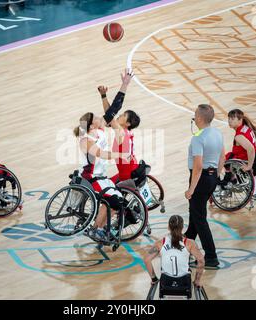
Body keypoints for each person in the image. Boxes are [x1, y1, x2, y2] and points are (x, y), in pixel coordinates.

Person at [73, 69, 134, 241]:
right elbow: (101, 154)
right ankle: (95, 229)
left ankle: (98, 227)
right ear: (92, 125)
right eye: (98, 118)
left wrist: (123, 85)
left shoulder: (98, 130)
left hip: (101, 176)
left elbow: (113, 109)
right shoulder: (85, 139)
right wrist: (120, 156)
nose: (102, 119)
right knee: (113, 201)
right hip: (91, 176)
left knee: (117, 200)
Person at [185, 104, 225, 268]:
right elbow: (222, 156)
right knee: (195, 215)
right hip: (211, 177)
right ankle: (184, 247)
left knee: (199, 218)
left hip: (200, 180)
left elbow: (198, 166)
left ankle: (211, 257)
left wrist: (191, 189)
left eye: (195, 115)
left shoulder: (198, 137)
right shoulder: (217, 132)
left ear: (200, 118)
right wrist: (215, 176)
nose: (194, 117)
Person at [143, 215, 205, 290]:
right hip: (184, 282)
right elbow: (201, 260)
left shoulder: (160, 243)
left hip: (166, 282)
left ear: (168, 227)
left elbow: (146, 260)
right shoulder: (190, 243)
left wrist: (154, 279)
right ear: (182, 228)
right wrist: (197, 280)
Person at [97, 84, 140, 183]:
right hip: (134, 168)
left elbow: (110, 114)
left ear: (128, 123)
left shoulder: (121, 132)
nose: (120, 115)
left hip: (126, 174)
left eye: (123, 115)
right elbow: (109, 116)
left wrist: (124, 85)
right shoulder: (128, 132)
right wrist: (103, 96)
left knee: (102, 190)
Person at [221, 109, 256, 185]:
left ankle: (231, 179)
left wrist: (249, 166)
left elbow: (251, 149)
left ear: (240, 119)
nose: (229, 121)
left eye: (233, 118)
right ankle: (232, 177)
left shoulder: (239, 136)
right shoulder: (248, 127)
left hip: (247, 159)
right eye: (229, 118)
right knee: (229, 156)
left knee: (223, 159)